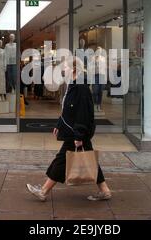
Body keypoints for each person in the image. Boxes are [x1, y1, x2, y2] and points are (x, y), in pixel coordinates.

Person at [26, 57, 112, 202]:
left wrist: (78, 136)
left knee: (61, 160)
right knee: (88, 159)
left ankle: (43, 191)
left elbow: (83, 113)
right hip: (74, 131)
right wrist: (59, 124)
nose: (62, 70)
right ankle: (105, 190)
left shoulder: (80, 87)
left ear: (74, 69)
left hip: (76, 132)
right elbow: (67, 109)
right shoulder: (72, 84)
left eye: (64, 67)